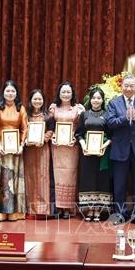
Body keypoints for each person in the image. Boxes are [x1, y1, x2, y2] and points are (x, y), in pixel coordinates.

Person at [106, 73, 135, 225]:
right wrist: (124, 118)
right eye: (126, 85)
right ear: (121, 86)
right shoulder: (114, 103)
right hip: (120, 149)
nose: (128, 88)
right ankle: (120, 214)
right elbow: (110, 123)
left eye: (131, 86)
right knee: (119, 185)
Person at [0, 80, 28, 221]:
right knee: (1, 178)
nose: (10, 93)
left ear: (16, 93)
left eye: (13, 91)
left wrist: (22, 145)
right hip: (1, 147)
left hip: (16, 149)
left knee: (14, 178)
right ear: (3, 92)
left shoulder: (20, 108)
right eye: (7, 91)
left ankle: (14, 212)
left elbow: (25, 128)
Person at [49, 81, 85, 219]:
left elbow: (81, 127)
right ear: (59, 93)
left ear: (72, 93)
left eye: (68, 92)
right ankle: (59, 207)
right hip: (57, 147)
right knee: (57, 175)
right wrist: (52, 137)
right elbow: (50, 126)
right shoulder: (53, 108)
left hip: (71, 146)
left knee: (70, 175)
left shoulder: (78, 108)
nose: (65, 94)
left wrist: (75, 139)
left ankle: (69, 208)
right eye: (63, 92)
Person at [76, 86, 113, 221]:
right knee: (88, 179)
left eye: (99, 98)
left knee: (101, 179)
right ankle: (89, 209)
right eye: (94, 98)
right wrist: (83, 145)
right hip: (87, 153)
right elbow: (79, 133)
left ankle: (98, 209)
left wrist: (104, 146)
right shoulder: (84, 114)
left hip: (102, 153)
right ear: (90, 99)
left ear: (102, 100)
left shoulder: (107, 115)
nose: (96, 100)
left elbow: (111, 135)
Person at [23, 89, 54, 217]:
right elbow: (22, 130)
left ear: (43, 101)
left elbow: (51, 130)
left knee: (43, 177)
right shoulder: (25, 115)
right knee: (29, 177)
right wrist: (25, 140)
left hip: (43, 149)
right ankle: (30, 209)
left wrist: (44, 139)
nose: (37, 101)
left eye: (40, 99)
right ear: (30, 101)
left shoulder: (48, 116)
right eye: (35, 99)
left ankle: (42, 210)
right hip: (29, 150)